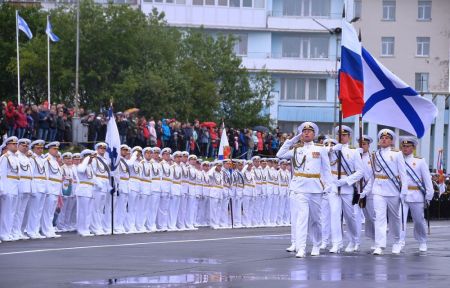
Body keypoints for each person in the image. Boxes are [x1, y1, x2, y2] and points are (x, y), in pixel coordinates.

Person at [276, 122, 333, 258]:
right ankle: (301, 247)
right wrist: (293, 139)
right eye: (304, 131)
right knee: (302, 218)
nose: (306, 133)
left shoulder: (320, 149)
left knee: (315, 220)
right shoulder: (296, 149)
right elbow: (280, 154)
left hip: (315, 188)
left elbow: (326, 170)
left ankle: (316, 244)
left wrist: (328, 187)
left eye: (309, 131)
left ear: (314, 134)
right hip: (299, 187)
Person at [367, 129, 408, 255]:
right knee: (379, 217)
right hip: (378, 189)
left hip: (393, 189)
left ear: (391, 141)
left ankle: (396, 241)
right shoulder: (374, 155)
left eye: (387, 138)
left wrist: (404, 191)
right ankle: (380, 245)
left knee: (394, 218)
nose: (384, 140)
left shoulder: (397, 154)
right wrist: (366, 190)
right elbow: (373, 175)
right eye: (382, 138)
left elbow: (403, 174)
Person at [329, 125, 364, 253]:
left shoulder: (353, 152)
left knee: (350, 216)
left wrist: (346, 181)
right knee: (334, 214)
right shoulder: (331, 150)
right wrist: (331, 149)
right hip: (333, 186)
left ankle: (354, 239)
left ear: (348, 137)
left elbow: (360, 171)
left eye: (344, 135)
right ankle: (336, 243)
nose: (341, 137)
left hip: (346, 187)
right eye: (339, 135)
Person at [398, 136, 433, 252]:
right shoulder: (398, 159)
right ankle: (400, 242)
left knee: (418, 220)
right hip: (402, 194)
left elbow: (427, 179)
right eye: (403, 146)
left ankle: (422, 240)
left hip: (416, 194)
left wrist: (429, 195)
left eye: (408, 146)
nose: (405, 148)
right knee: (400, 219)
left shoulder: (419, 161)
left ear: (413, 148)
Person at [11, 138, 33, 240]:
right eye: (23, 145)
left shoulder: (27, 158)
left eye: (27, 146)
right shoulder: (16, 156)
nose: (25, 147)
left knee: (22, 211)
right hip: (20, 185)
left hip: (27, 185)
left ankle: (19, 230)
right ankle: (14, 231)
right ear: (19, 146)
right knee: (16, 210)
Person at [26, 140, 47, 239]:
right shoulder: (32, 159)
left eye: (42, 148)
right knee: (33, 211)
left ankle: (36, 230)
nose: (40, 150)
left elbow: (45, 175)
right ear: (33, 148)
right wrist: (32, 188)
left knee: (39, 211)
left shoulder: (42, 158)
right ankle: (31, 230)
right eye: (38, 148)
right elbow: (31, 174)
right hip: (36, 186)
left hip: (43, 186)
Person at [0, 136, 20, 241]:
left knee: (12, 212)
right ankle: (3, 233)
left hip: (15, 187)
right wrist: (2, 189)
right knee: (6, 212)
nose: (15, 145)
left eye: (16, 144)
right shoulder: (5, 157)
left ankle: (8, 232)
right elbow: (2, 174)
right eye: (13, 144)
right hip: (7, 187)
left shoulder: (15, 158)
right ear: (7, 145)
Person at [91, 143, 111, 235]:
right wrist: (97, 183)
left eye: (104, 148)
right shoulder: (95, 159)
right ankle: (95, 227)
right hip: (98, 185)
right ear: (97, 149)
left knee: (101, 208)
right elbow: (92, 173)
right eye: (100, 148)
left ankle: (99, 226)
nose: (102, 149)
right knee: (96, 208)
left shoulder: (106, 160)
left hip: (105, 185)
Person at [76, 150, 96, 237]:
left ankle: (86, 229)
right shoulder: (81, 165)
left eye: (92, 158)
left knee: (88, 211)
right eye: (90, 157)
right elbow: (81, 170)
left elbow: (94, 178)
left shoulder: (90, 167)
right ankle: (81, 229)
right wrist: (86, 160)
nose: (91, 160)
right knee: (82, 211)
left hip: (90, 190)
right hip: (83, 190)